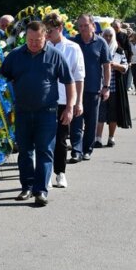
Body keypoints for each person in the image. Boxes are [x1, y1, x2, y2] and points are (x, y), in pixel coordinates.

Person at [0, 21, 75, 206]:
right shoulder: (15, 55)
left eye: (37, 40)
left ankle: (41, 191)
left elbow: (69, 81)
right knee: (25, 151)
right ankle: (27, 187)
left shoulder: (55, 56)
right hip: (22, 112)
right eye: (30, 39)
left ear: (45, 37)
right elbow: (0, 78)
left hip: (47, 112)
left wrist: (70, 107)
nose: (33, 43)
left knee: (44, 150)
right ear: (25, 37)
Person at [43, 12, 84, 189]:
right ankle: (44, 174)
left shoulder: (73, 48)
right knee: (43, 139)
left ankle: (60, 173)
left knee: (60, 139)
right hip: (44, 100)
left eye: (50, 31)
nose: (47, 35)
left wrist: (77, 102)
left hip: (63, 100)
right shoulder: (42, 47)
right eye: (45, 31)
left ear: (60, 28)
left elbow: (79, 77)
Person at [69, 14, 111, 162]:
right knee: (75, 121)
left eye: (85, 25)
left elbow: (107, 66)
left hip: (94, 89)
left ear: (93, 26)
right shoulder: (74, 42)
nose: (82, 28)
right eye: (80, 26)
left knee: (91, 122)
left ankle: (87, 149)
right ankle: (76, 150)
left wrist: (106, 87)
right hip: (75, 89)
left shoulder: (101, 43)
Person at [96, 27, 132, 147]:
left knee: (113, 114)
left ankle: (111, 138)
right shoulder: (98, 48)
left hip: (115, 88)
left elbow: (125, 67)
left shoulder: (119, 50)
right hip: (99, 88)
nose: (107, 38)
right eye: (105, 35)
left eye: (110, 35)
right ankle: (98, 139)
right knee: (100, 114)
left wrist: (116, 65)